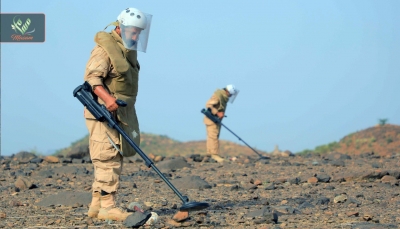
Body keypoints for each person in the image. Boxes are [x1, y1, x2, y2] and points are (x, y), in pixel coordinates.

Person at [82, 7, 152, 221]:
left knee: (110, 155)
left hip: (121, 112)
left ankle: (96, 206)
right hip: (103, 112)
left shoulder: (126, 50)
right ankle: (108, 207)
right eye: (133, 31)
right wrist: (109, 99)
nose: (136, 36)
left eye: (139, 32)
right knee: (107, 157)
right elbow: (92, 79)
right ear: (120, 27)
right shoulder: (105, 49)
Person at [203, 85, 239, 162]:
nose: (231, 96)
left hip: (216, 120)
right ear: (227, 92)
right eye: (231, 94)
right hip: (212, 119)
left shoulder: (223, 97)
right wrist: (217, 113)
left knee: (212, 136)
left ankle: (210, 154)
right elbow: (208, 105)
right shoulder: (218, 95)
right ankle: (214, 154)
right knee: (213, 136)